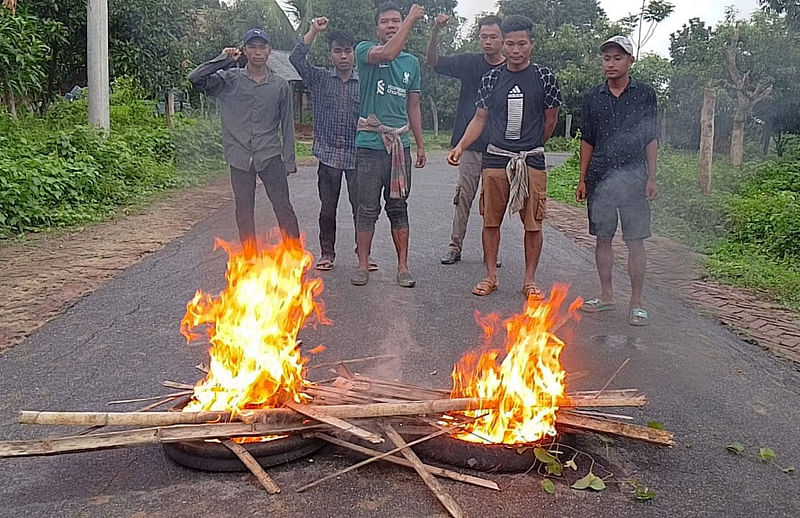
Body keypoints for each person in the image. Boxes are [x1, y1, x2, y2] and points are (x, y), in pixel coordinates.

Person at [448, 15, 561, 298]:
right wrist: (461, 146)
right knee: (490, 220)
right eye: (509, 43)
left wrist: (531, 146)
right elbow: (480, 118)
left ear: (531, 45)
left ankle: (529, 280)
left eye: (521, 43)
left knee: (533, 222)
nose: (515, 49)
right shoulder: (491, 78)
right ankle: (490, 276)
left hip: (531, 160)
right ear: (503, 44)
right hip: (496, 159)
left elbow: (550, 121)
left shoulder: (544, 77)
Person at [188, 28, 299, 251]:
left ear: (269, 51)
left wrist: (289, 161)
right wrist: (224, 59)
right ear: (245, 50)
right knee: (244, 209)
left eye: (262, 47)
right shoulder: (229, 80)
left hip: (269, 155)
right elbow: (195, 78)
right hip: (239, 156)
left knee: (283, 207)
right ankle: (249, 258)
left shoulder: (279, 85)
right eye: (252, 47)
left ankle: (294, 256)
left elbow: (287, 124)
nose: (258, 52)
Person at [576, 35, 659, 326]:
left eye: (617, 58)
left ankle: (636, 302)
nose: (611, 63)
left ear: (630, 61)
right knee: (602, 238)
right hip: (600, 178)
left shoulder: (645, 94)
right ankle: (607, 296)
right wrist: (582, 178)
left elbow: (651, 138)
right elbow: (587, 140)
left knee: (635, 241)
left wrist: (652, 176)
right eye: (607, 58)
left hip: (635, 177)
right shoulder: (591, 97)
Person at [289, 18, 377, 272]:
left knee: (361, 210)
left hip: (356, 157)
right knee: (328, 209)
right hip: (327, 156)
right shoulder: (319, 79)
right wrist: (314, 30)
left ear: (354, 54)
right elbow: (296, 59)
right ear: (330, 56)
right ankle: (327, 253)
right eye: (338, 51)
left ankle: (364, 255)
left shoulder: (365, 84)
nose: (343, 56)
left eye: (348, 51)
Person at [351, 2, 427, 288]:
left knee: (398, 206)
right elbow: (388, 51)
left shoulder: (412, 63)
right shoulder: (365, 50)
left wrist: (419, 145)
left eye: (396, 20)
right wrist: (410, 19)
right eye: (386, 22)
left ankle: (403, 266)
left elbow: (414, 105)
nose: (392, 25)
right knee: (367, 207)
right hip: (370, 143)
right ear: (377, 28)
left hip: (399, 146)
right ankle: (362, 264)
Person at [427, 14, 506, 266]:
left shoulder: (511, 69)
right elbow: (434, 62)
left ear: (503, 39)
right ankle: (454, 246)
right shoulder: (469, 62)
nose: (488, 42)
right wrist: (435, 31)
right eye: (484, 37)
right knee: (463, 197)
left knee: (494, 202)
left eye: (493, 37)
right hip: (470, 145)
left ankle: (490, 252)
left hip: (501, 147)